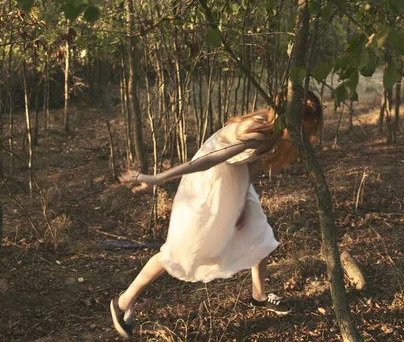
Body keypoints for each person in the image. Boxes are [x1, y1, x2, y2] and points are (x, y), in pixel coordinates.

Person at [111, 91, 324, 339]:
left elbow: (251, 164)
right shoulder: (256, 134)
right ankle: (123, 302)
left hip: (235, 178)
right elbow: (207, 161)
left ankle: (259, 295)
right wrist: (157, 178)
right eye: (306, 127)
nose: (307, 134)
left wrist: (243, 200)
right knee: (179, 251)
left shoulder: (273, 131)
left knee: (260, 235)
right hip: (210, 184)